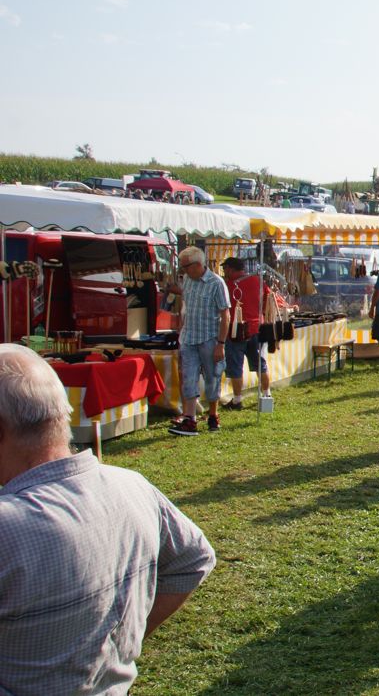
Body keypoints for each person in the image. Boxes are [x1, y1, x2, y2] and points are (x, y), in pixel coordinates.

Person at [0, 344, 216, 693]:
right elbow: (194, 558)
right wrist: (114, 647)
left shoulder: (8, 526)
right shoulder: (132, 487)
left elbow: (195, 559)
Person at [169, 247, 231, 436]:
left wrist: (220, 343)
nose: (183, 271)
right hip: (188, 338)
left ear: (197, 264)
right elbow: (188, 304)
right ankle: (190, 419)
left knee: (212, 377)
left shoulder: (216, 283)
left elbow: (225, 315)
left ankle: (213, 414)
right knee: (188, 377)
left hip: (209, 338)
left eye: (186, 266)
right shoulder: (187, 280)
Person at [219, 257, 272, 410]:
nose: (225, 272)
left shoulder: (228, 285)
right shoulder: (257, 281)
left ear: (230, 268)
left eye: (225, 269)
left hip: (236, 330)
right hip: (256, 328)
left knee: (235, 366)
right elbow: (267, 299)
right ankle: (267, 395)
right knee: (260, 365)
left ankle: (237, 400)